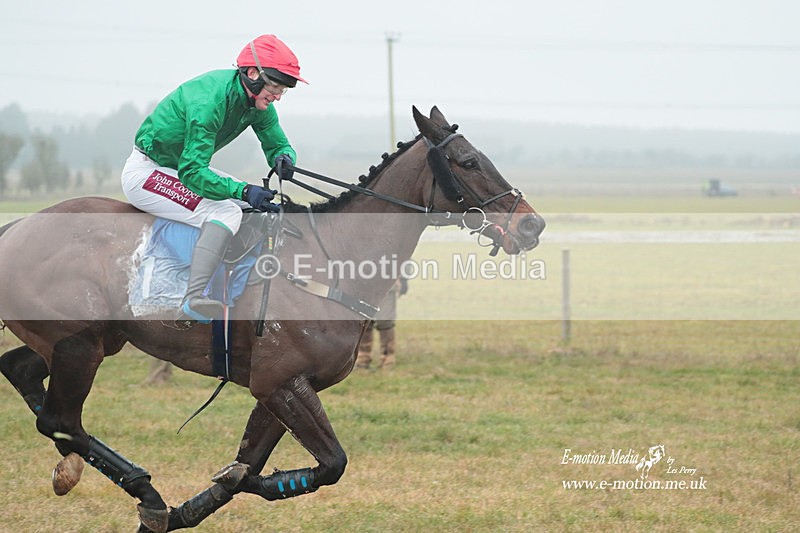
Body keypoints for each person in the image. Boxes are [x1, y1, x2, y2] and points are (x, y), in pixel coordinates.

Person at [121, 34, 306, 323]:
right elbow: (193, 172)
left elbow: (276, 143)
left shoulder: (256, 103)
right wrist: (243, 190)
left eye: (283, 90)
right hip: (147, 172)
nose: (278, 96)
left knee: (254, 209)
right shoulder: (210, 102)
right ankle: (193, 298)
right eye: (275, 87)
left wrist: (284, 158)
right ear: (253, 74)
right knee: (229, 211)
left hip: (175, 169)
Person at [356, 278, 408, 370]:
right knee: (365, 319)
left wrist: (404, 279)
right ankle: (363, 357)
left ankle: (387, 358)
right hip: (364, 284)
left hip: (387, 283)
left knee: (385, 321)